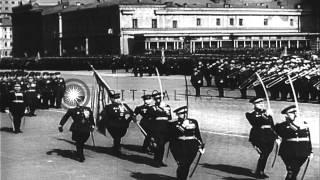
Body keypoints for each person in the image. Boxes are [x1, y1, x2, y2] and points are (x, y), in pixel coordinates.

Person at [275, 105, 313, 180]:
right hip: (289, 152)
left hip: (303, 152)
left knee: (295, 171)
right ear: (286, 115)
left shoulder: (303, 123)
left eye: (295, 112)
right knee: (291, 171)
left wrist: (310, 151)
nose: (294, 114)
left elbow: (308, 138)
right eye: (291, 113)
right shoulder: (282, 125)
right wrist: (296, 125)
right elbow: (278, 132)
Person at [245, 97, 278, 178]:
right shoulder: (251, 114)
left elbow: (272, 125)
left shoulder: (267, 113)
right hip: (259, 137)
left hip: (269, 136)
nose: (261, 105)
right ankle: (259, 172)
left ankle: (260, 170)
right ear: (254, 104)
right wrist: (265, 115)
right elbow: (255, 123)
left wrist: (276, 136)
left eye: (262, 103)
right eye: (259, 103)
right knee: (264, 153)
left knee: (266, 154)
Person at [169, 106, 204, 180]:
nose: (184, 115)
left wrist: (200, 145)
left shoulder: (193, 121)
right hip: (179, 146)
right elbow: (173, 134)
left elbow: (197, 134)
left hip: (192, 146)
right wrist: (183, 126)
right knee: (182, 164)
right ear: (177, 114)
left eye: (185, 113)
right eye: (182, 114)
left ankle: (182, 177)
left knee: (187, 164)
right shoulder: (173, 123)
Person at [150, 92, 172, 167]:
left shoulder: (167, 106)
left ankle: (162, 160)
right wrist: (161, 110)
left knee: (164, 145)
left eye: (160, 99)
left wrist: (166, 110)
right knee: (158, 145)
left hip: (166, 128)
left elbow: (169, 117)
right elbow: (152, 116)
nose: (158, 100)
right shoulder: (152, 107)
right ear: (154, 99)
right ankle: (157, 160)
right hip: (157, 128)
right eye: (156, 99)